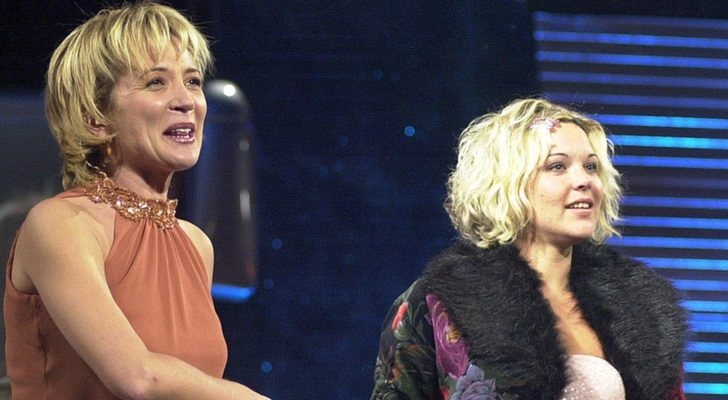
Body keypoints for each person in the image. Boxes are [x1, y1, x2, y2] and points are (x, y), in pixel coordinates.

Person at [3, 2, 269, 399]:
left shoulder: (196, 245)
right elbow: (138, 378)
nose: (186, 101)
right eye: (156, 83)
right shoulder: (60, 225)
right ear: (96, 117)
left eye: (193, 81)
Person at [370, 98, 688, 399]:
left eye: (591, 167)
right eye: (558, 166)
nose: (584, 181)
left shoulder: (640, 308)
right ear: (507, 184)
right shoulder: (433, 306)